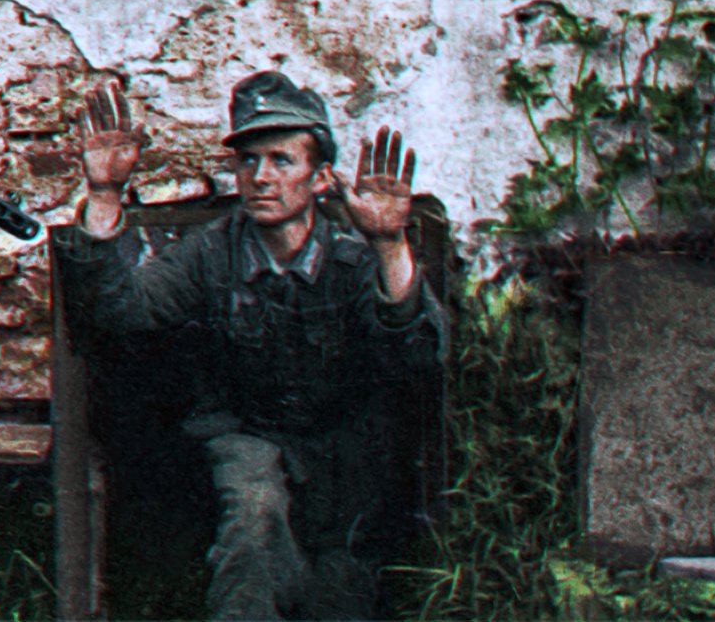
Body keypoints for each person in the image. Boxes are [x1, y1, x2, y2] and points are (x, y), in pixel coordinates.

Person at [51, 73, 446, 620]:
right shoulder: (209, 254)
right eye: (247, 162)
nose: (260, 178)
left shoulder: (353, 261)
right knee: (253, 520)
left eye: (281, 161)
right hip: (246, 436)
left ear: (321, 176)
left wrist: (388, 244)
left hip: (342, 455)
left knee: (341, 589)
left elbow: (418, 359)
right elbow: (120, 315)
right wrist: (103, 194)